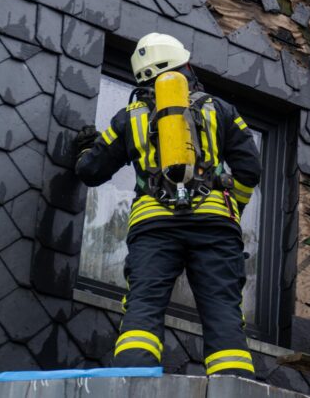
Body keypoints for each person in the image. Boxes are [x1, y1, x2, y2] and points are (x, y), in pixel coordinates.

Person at [74, 33, 262, 377]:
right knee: (223, 309)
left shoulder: (128, 118)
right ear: (184, 65)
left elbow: (90, 171)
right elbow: (251, 169)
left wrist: (86, 148)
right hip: (215, 226)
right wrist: (232, 207)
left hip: (153, 227)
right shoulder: (220, 109)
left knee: (143, 306)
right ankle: (233, 383)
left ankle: (132, 381)